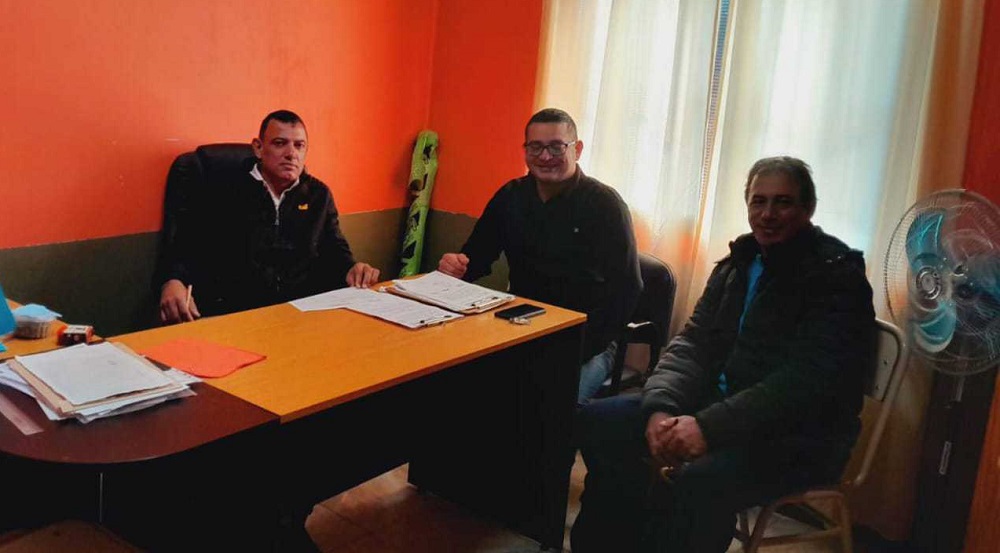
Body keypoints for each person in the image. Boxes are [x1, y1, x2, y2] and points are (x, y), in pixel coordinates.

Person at [570, 156, 876, 552]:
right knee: (601, 421)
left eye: (783, 202)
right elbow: (692, 343)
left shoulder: (836, 278)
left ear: (808, 209)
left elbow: (804, 384)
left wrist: (708, 428)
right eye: (758, 201)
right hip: (719, 409)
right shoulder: (738, 264)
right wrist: (661, 407)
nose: (768, 214)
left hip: (799, 436)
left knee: (699, 480)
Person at [438, 108, 642, 404]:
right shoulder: (511, 196)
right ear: (525, 151)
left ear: (577, 149)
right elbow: (476, 258)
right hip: (519, 324)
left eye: (556, 147)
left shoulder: (605, 205)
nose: (545, 157)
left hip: (585, 338)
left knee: (548, 409)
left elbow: (627, 290)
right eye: (535, 147)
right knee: (468, 389)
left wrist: (576, 348)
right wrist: (456, 267)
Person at [156, 110, 379, 324]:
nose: (291, 153)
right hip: (235, 315)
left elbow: (335, 249)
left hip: (299, 316)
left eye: (299, 145)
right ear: (258, 148)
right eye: (280, 143)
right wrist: (173, 281)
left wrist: (352, 268)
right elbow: (187, 245)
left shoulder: (318, 195)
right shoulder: (223, 188)